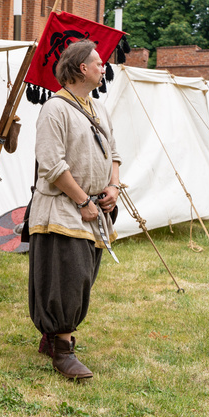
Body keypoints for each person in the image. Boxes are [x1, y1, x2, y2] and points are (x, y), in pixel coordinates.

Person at [27, 39, 121, 380]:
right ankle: (62, 349)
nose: (102, 67)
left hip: (95, 207)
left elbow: (114, 153)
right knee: (69, 277)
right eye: (97, 62)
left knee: (84, 276)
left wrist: (112, 187)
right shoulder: (56, 109)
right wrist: (83, 201)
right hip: (64, 208)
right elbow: (52, 164)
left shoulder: (97, 107)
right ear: (81, 68)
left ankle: (52, 337)